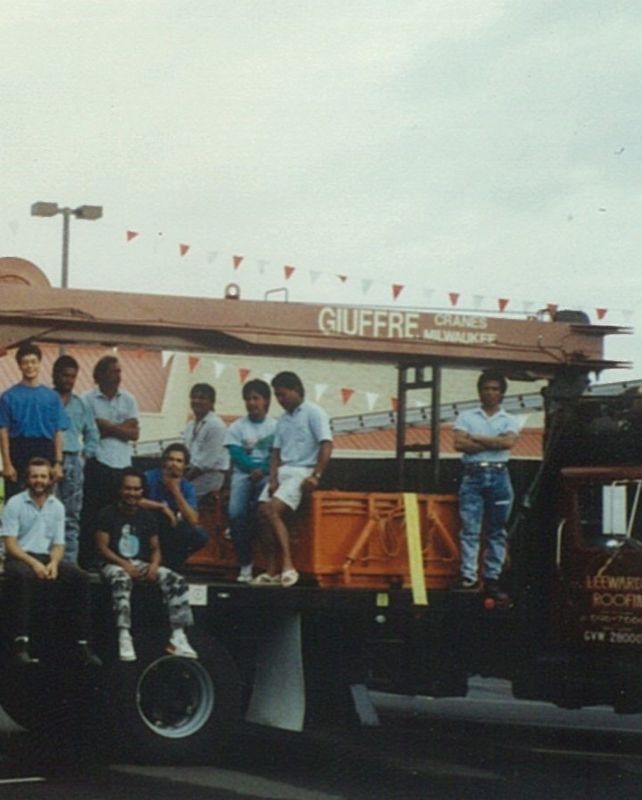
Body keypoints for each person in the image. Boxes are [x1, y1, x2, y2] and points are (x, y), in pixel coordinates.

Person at [1, 457, 102, 667]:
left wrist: (54, 563)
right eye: (35, 476)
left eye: (43, 476)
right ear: (27, 479)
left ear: (50, 480)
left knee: (81, 577)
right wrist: (34, 564)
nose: (39, 480)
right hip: (20, 557)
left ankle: (81, 644)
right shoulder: (15, 503)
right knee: (24, 576)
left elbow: (58, 544)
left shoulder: (57, 506)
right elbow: (10, 544)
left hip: (46, 557)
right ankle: (21, 644)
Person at [95, 468, 198, 662]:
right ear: (120, 490)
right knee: (121, 578)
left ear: (142, 491)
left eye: (136, 489)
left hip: (140, 563)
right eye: (128, 489)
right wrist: (124, 565)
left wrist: (154, 565)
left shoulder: (147, 517)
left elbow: (155, 548)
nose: (132, 493)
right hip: (112, 563)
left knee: (176, 579)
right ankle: (124, 634)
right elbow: (102, 548)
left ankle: (178, 635)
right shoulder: (108, 513)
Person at [256, 371, 333, 588]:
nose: (280, 400)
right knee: (261, 514)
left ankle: (288, 566)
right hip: (283, 471)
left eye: (283, 395)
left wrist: (316, 475)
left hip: (302, 471)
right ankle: (271, 569)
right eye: (277, 396)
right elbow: (276, 453)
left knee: (272, 510)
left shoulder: (315, 412)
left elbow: (326, 444)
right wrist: (272, 479)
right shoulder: (282, 420)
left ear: (296, 390)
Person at [452, 370, 520, 599]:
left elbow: (508, 442)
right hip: (473, 473)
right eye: (486, 388)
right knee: (470, 528)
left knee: (496, 529)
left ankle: (492, 577)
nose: (490, 393)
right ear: (479, 391)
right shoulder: (466, 416)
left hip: (499, 475)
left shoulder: (510, 418)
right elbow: (459, 444)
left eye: (495, 389)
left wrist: (477, 438)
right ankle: (469, 576)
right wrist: (495, 442)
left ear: (502, 394)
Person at [80, 355, 139, 567]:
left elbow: (134, 433)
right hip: (98, 462)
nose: (118, 376)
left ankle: (116, 558)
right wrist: (121, 428)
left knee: (117, 514)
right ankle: (89, 559)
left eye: (119, 372)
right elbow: (89, 430)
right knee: (94, 514)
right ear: (102, 374)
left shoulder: (129, 399)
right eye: (114, 372)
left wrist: (108, 427)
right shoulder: (87, 399)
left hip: (122, 465)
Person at [224, 379, 277, 583]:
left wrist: (263, 469)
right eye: (248, 399)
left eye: (256, 398)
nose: (251, 403)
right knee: (236, 513)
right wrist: (251, 468)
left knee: (262, 515)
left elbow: (277, 455)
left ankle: (268, 564)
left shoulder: (276, 426)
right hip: (242, 474)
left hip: (266, 474)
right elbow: (235, 453)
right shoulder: (237, 426)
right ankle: (245, 564)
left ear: (266, 401)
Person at [0, 343, 68, 501]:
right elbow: (3, 431)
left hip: (44, 449)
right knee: (15, 499)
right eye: (25, 362)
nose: (29, 366)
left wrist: (57, 463)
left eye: (33, 361)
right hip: (18, 449)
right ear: (19, 366)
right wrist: (7, 464)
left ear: (39, 363)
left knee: (44, 500)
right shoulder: (8, 397)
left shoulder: (52, 397)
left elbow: (58, 431)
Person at [52, 354, 100, 564]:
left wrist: (84, 457)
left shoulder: (81, 404)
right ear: (55, 375)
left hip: (73, 460)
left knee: (71, 515)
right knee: (47, 511)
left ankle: (69, 562)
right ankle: (46, 559)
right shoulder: (46, 399)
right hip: (49, 461)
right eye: (64, 375)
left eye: (72, 376)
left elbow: (93, 435)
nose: (68, 380)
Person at [142, 443, 208, 571]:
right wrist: (161, 507)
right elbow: (134, 500)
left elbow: (193, 520)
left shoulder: (187, 487)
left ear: (184, 466)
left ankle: (172, 564)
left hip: (170, 530)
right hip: (147, 525)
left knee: (200, 534)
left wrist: (176, 491)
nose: (174, 464)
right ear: (164, 462)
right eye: (171, 459)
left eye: (179, 461)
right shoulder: (149, 476)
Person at [182, 383, 229, 504]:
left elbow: (206, 463)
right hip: (191, 473)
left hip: (210, 476)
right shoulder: (190, 425)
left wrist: (183, 481)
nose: (197, 401)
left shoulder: (216, 425)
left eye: (202, 398)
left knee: (177, 493)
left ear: (212, 402)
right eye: (194, 397)